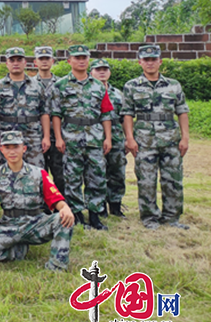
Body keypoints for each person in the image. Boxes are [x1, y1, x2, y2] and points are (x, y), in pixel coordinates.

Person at [0, 131, 75, 272]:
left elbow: (56, 199)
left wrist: (65, 208)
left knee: (64, 219)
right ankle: (17, 252)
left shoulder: (38, 173)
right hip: (9, 225)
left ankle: (56, 266)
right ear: (1, 149)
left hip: (35, 223)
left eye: (16, 147)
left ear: (24, 149)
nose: (12, 151)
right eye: (7, 147)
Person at [122, 44, 190, 230]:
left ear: (160, 61)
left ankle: (171, 217)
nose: (150, 63)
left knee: (173, 179)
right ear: (140, 62)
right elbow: (127, 114)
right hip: (144, 140)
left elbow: (182, 111)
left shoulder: (173, 85)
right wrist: (129, 138)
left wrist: (185, 138)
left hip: (170, 140)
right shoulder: (131, 86)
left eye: (154, 59)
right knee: (146, 180)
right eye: (146, 60)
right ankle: (150, 218)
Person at [50, 45, 113, 230]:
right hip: (71, 137)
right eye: (77, 57)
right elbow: (55, 114)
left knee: (97, 177)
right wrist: (59, 138)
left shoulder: (98, 85)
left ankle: (94, 215)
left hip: (94, 137)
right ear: (69, 61)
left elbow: (106, 113)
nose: (81, 60)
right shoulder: (60, 85)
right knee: (72, 177)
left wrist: (107, 138)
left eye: (84, 57)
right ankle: (77, 214)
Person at [0, 47, 51, 168]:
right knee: (7, 171)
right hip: (7, 136)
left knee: (36, 171)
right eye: (12, 60)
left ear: (25, 63)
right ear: (7, 63)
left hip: (32, 136)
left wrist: (46, 137)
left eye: (19, 60)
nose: (16, 63)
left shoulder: (37, 86)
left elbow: (44, 113)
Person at [91, 58, 127, 217]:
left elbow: (125, 117)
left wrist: (128, 138)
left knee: (117, 172)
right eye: (98, 69)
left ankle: (115, 205)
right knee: (98, 173)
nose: (102, 72)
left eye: (105, 69)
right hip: (95, 138)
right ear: (91, 72)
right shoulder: (89, 92)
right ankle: (100, 207)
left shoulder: (118, 94)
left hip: (117, 138)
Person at [32, 46, 64, 196]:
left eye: (47, 59)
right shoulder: (30, 84)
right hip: (36, 135)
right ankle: (43, 204)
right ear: (35, 62)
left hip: (60, 134)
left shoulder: (62, 84)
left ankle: (63, 204)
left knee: (60, 171)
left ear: (53, 61)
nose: (44, 62)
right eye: (41, 59)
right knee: (39, 171)